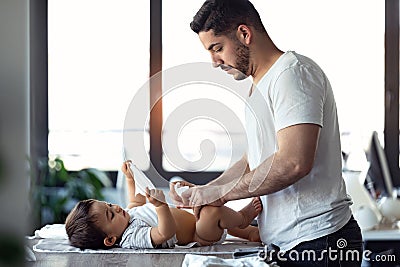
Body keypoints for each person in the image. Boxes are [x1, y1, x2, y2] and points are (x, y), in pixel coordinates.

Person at [169, 0, 363, 266]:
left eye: (217, 48)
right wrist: (206, 190)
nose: (214, 62)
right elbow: (253, 160)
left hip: (320, 242)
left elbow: (294, 162)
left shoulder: (293, 73)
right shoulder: (258, 86)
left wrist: (222, 194)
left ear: (244, 34)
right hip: (289, 243)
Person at [65, 161, 262, 250]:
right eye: (110, 215)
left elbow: (136, 201)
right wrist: (160, 207)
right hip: (199, 235)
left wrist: (130, 179)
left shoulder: (127, 217)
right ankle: (243, 218)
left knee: (203, 203)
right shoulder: (131, 237)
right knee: (211, 213)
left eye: (109, 204)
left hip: (194, 220)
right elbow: (163, 233)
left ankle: (249, 233)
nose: (116, 208)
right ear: (110, 239)